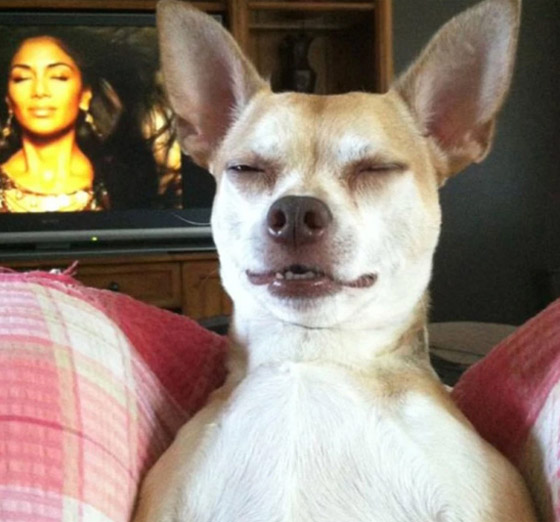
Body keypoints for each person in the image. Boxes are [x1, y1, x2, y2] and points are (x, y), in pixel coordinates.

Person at [0, 34, 110, 212]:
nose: (40, 91)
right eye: (22, 78)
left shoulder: (122, 185)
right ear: (8, 100)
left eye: (59, 76)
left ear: (84, 95)